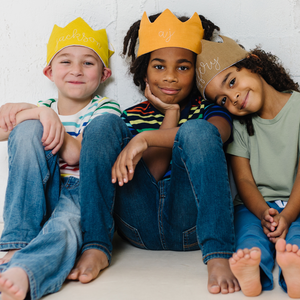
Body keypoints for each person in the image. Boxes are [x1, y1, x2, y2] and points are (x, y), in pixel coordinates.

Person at [68, 9, 240, 294]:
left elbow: (218, 133)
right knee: (103, 124)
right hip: (137, 225)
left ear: (196, 70)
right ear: (144, 70)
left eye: (183, 67)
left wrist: (145, 140)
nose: (170, 77)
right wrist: (167, 116)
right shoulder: (132, 116)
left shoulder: (208, 109)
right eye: (159, 66)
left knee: (197, 130)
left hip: (192, 226)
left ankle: (218, 254)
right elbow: (156, 171)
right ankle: (96, 245)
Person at [0, 17, 120, 300]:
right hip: (38, 194)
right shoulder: (44, 109)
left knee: (64, 228)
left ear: (104, 75)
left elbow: (77, 154)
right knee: (27, 129)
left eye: (88, 63)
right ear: (49, 72)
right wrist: (35, 112)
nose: (76, 70)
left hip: (81, 195)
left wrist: (44, 118)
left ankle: (26, 271)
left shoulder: (105, 109)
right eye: (66, 62)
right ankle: (19, 242)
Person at [196, 35, 300, 298]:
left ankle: (295, 273)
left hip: (298, 203)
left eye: (231, 82)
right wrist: (265, 212)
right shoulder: (239, 126)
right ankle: (253, 271)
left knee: (297, 237)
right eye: (222, 100)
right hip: (254, 206)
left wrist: (287, 216)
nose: (233, 98)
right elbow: (243, 181)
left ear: (254, 64)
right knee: (248, 236)